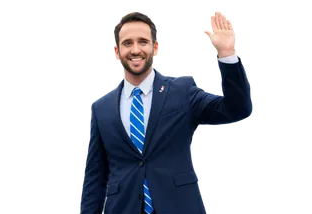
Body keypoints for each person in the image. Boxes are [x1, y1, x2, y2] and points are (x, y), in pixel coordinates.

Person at [79, 10, 253, 214]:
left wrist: (227, 55)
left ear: (156, 48)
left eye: (143, 42)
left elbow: (237, 109)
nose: (135, 49)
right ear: (116, 52)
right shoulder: (101, 107)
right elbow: (94, 178)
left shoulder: (183, 90)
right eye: (128, 43)